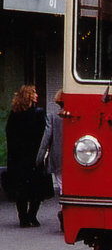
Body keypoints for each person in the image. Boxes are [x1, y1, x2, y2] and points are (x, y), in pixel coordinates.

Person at [4, 85, 47, 227]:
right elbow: (43, 134)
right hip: (33, 156)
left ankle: (23, 218)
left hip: (17, 157)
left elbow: (9, 134)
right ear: (29, 96)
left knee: (20, 190)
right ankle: (32, 216)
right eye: (34, 93)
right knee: (37, 190)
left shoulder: (14, 114)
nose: (36, 96)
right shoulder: (38, 113)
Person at [38, 91, 64, 227]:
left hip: (58, 157)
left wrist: (40, 158)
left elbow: (46, 138)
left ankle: (64, 211)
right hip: (78, 158)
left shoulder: (53, 116)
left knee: (62, 186)